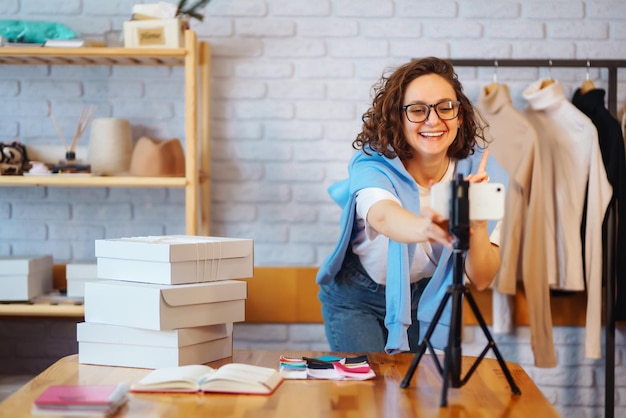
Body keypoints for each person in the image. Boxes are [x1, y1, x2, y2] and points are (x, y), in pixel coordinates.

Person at [316, 57, 508, 354]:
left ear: (459, 115)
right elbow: (384, 216)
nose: (433, 120)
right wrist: (426, 226)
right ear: (398, 118)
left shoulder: (483, 173)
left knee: (418, 395)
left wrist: (478, 225)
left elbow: (482, 278)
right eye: (417, 110)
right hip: (357, 296)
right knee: (367, 393)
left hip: (428, 295)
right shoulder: (373, 163)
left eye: (445, 107)